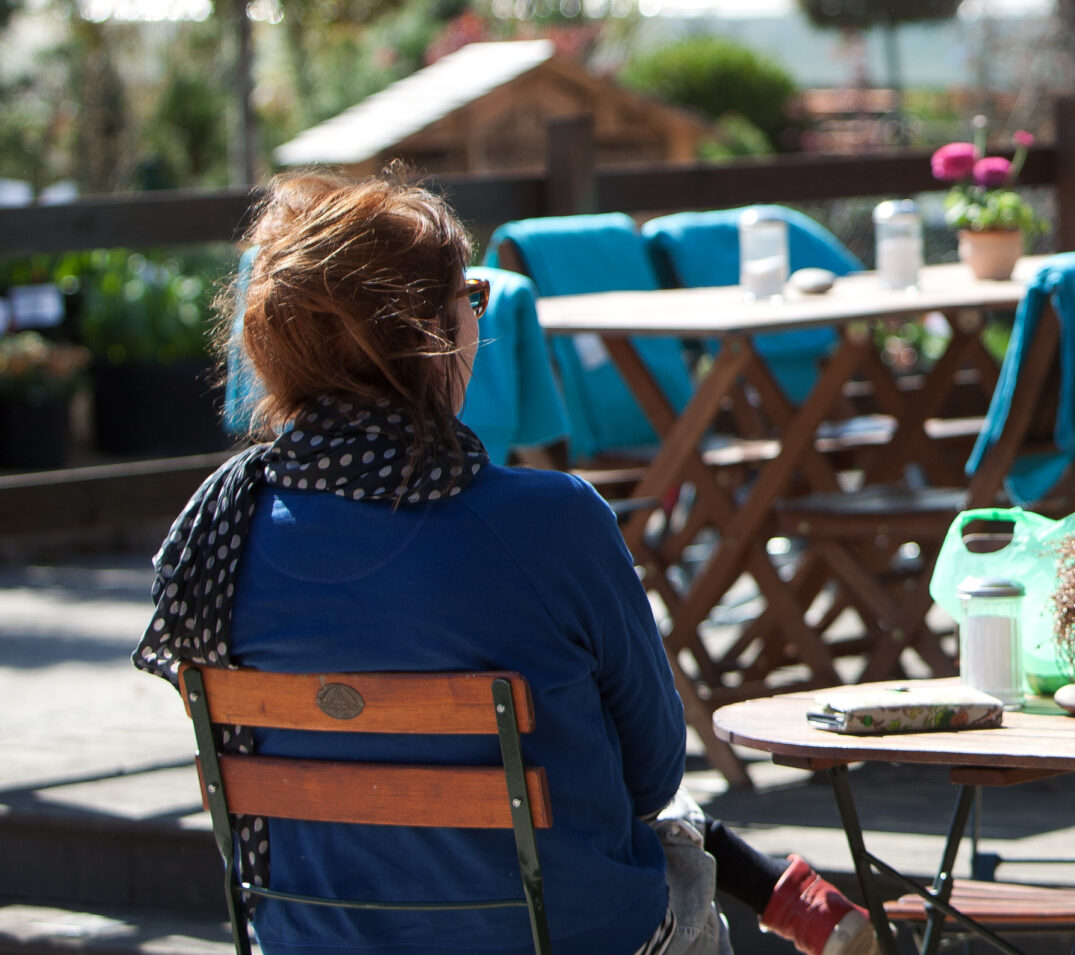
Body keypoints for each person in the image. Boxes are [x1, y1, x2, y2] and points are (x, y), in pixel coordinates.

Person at [134, 172, 874, 955]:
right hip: (562, 935)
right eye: (470, 299)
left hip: (313, 935)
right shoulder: (553, 520)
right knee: (677, 851)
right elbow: (653, 775)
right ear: (433, 332)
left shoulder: (219, 531)